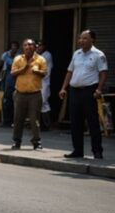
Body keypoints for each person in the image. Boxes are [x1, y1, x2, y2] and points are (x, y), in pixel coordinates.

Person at [59, 30, 108, 159]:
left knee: (92, 122)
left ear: (93, 40)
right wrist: (63, 88)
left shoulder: (99, 55)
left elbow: (103, 73)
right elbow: (70, 72)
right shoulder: (77, 54)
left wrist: (99, 89)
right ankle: (77, 150)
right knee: (75, 122)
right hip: (75, 91)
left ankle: (97, 151)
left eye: (85, 38)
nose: (81, 41)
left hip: (89, 91)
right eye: (80, 38)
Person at [10, 39, 47, 150]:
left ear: (35, 47)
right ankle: (17, 141)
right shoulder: (18, 59)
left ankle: (36, 142)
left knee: (34, 119)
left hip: (34, 94)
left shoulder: (40, 59)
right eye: (26, 45)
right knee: (18, 119)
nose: (28, 47)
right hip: (20, 93)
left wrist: (37, 71)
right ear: (23, 47)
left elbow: (45, 73)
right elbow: (12, 73)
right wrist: (24, 68)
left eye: (30, 45)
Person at [0, 41, 20, 127]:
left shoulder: (19, 57)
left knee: (14, 101)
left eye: (15, 47)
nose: (13, 49)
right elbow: (0, 66)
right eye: (12, 47)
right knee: (5, 100)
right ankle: (6, 121)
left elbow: (14, 66)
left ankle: (13, 121)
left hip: (15, 80)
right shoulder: (5, 55)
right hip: (6, 79)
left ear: (17, 48)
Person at [37, 40, 53, 130]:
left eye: (40, 46)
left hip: (44, 82)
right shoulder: (39, 55)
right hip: (39, 82)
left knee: (42, 102)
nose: (38, 48)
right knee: (43, 104)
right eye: (37, 46)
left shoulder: (47, 55)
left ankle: (45, 125)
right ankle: (43, 125)